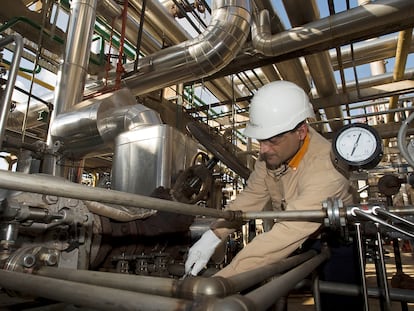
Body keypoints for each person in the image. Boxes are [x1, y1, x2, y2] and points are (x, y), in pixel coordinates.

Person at [185, 80, 356, 281]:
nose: (264, 150)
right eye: (260, 140)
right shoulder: (272, 154)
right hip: (301, 236)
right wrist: (213, 235)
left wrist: (221, 281)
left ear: (301, 132)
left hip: (337, 240)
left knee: (337, 296)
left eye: (272, 140)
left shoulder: (326, 169)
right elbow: (252, 197)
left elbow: (287, 231)